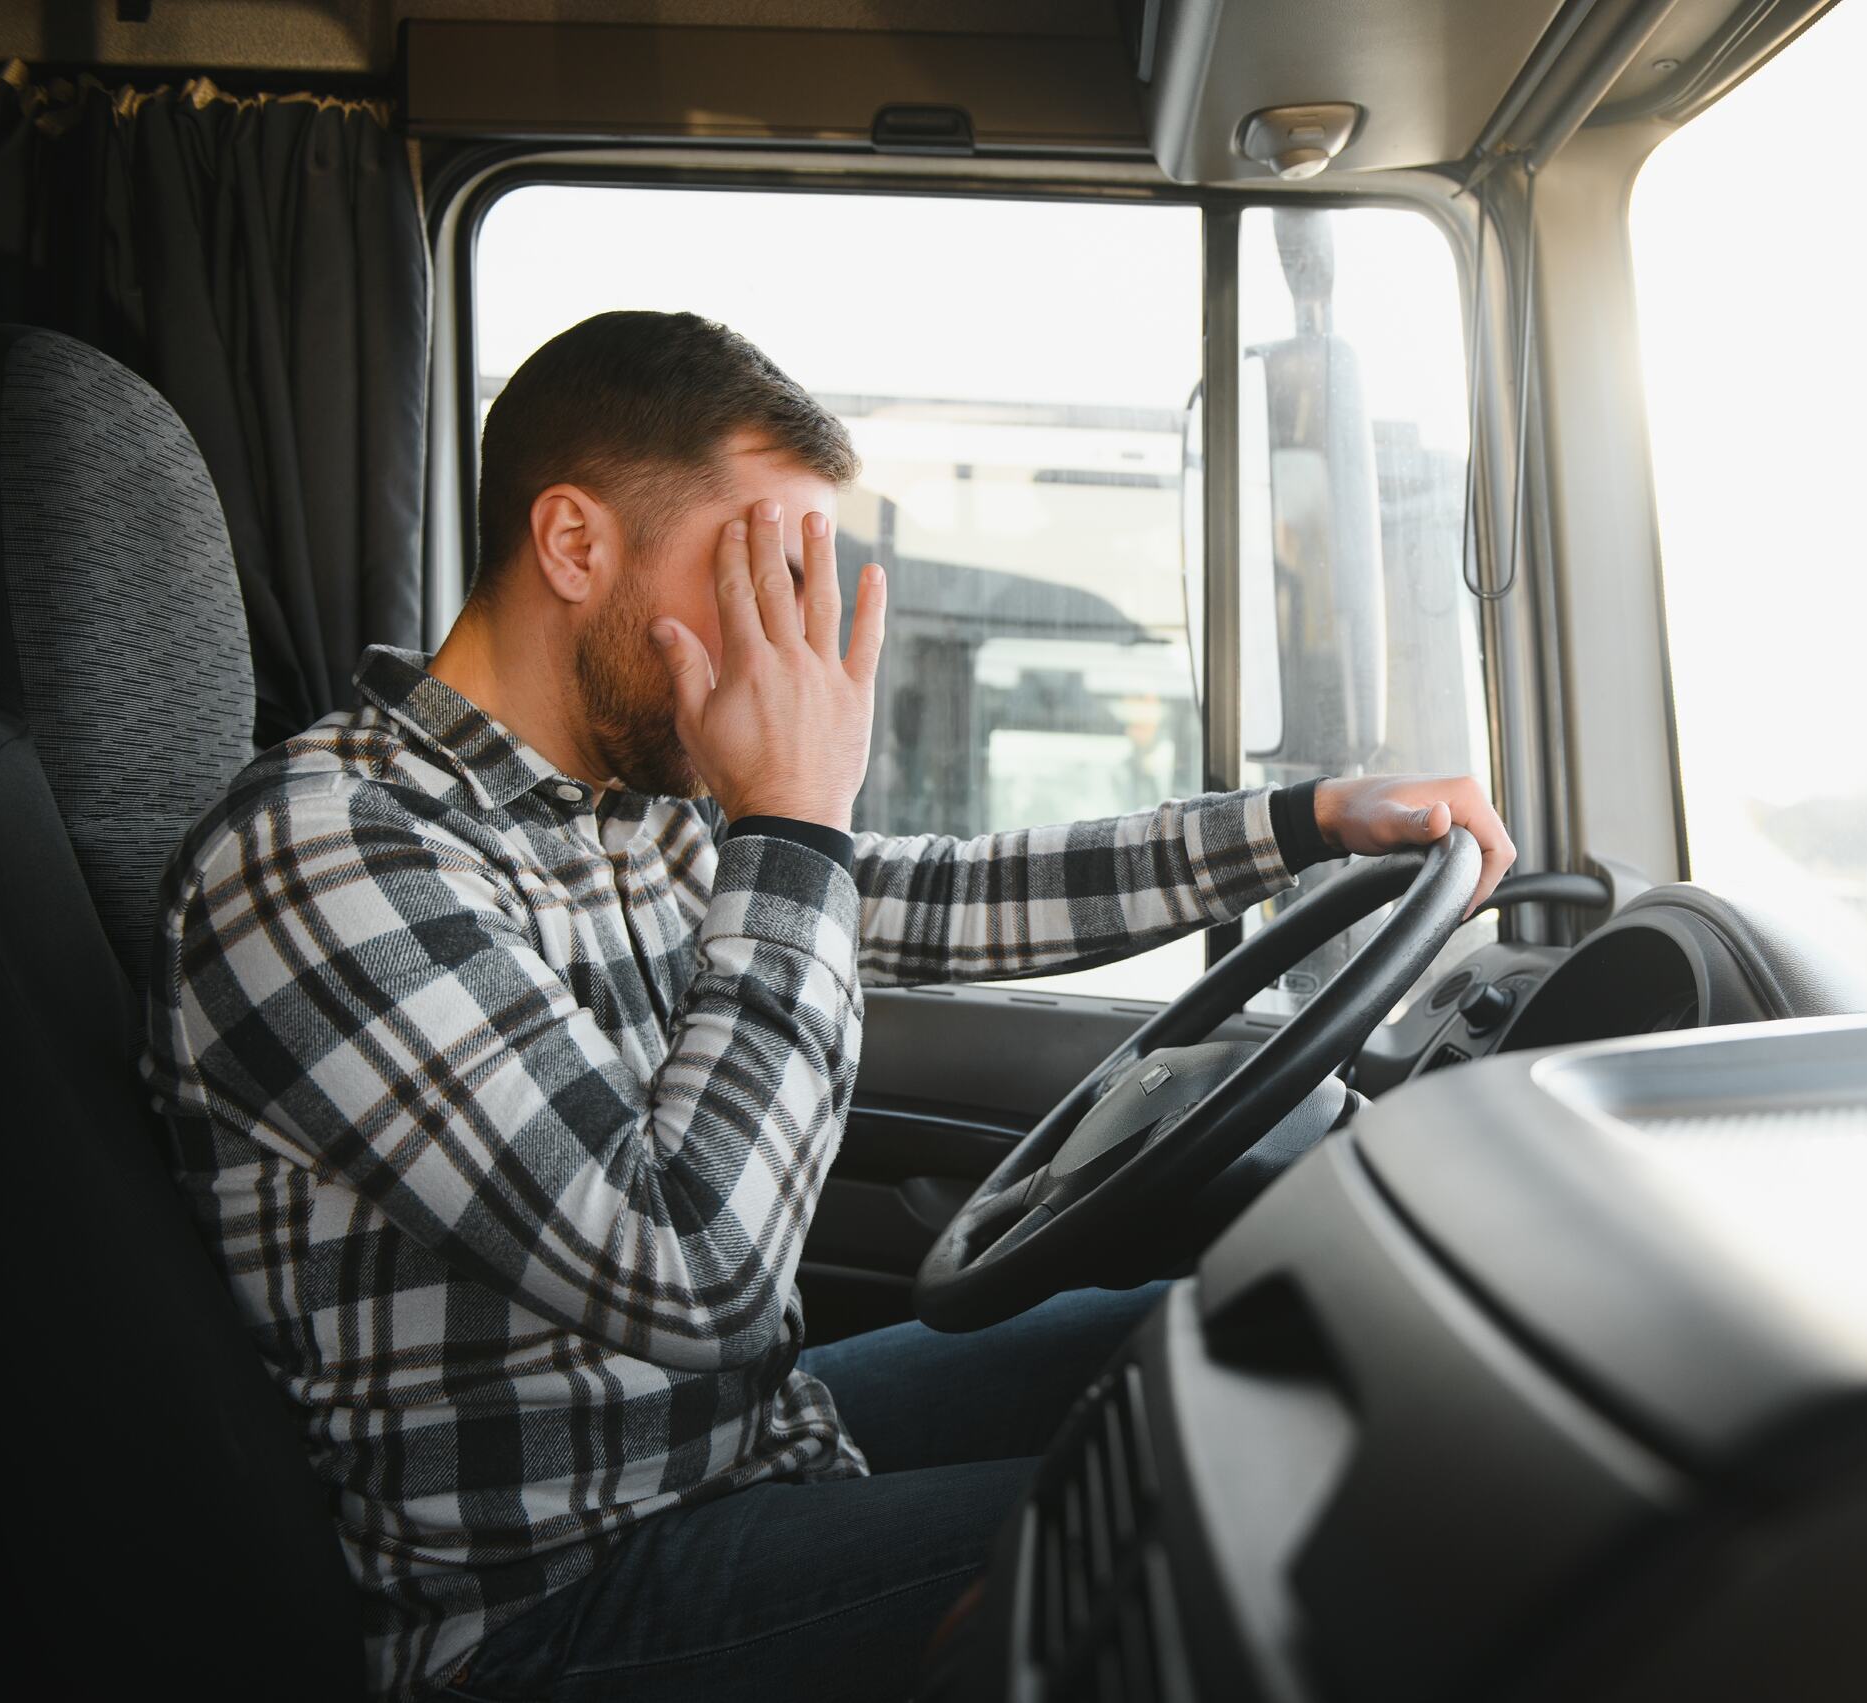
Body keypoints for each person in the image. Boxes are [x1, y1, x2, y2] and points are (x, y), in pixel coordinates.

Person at [143, 309, 1515, 1702]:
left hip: (738, 1449)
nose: (792, 640)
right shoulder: (329, 853)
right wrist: (791, 814)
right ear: (573, 545)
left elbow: (944, 896)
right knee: (1265, 1514)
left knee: (1215, 1338)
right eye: (760, 575)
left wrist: (1305, 824)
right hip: (547, 1604)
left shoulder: (621, 809)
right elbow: (697, 1273)